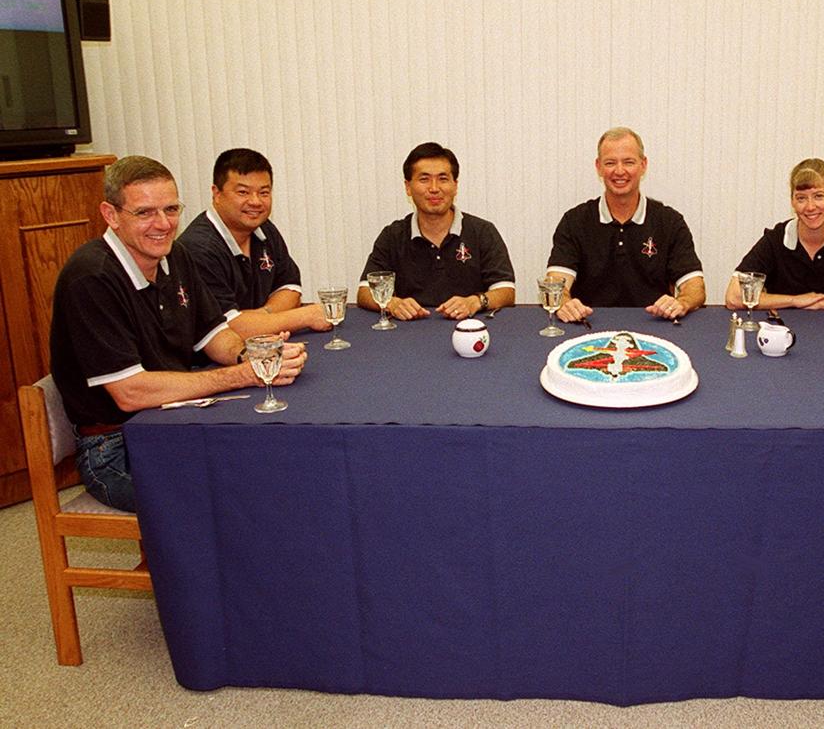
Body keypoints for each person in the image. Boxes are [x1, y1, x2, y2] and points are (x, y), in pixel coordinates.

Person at [50, 156, 307, 512]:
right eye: (145, 213)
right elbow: (130, 393)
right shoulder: (91, 278)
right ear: (111, 215)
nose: (163, 224)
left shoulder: (176, 256)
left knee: (274, 469)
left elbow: (215, 335)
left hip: (174, 422)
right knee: (237, 500)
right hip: (116, 447)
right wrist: (240, 375)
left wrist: (254, 356)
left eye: (171, 209)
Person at [546, 127, 705, 322]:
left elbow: (695, 287)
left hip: (655, 326)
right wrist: (563, 303)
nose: (619, 171)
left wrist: (682, 302)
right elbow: (555, 282)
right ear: (598, 167)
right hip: (587, 326)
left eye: (628, 162)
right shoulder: (574, 221)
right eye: (610, 163)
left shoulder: (670, 222)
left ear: (643, 165)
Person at [177, 148, 331, 336]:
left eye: (264, 192)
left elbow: (290, 288)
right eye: (243, 192)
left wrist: (263, 318)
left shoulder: (263, 228)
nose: (255, 202)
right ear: (216, 194)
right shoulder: (199, 248)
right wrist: (305, 316)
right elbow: (227, 329)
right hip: (211, 363)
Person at [357, 142, 515, 320]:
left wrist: (475, 301)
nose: (434, 188)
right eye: (424, 179)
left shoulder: (482, 232)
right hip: (408, 333)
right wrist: (392, 304)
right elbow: (364, 291)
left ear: (455, 185)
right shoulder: (392, 235)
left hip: (468, 330)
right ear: (408, 187)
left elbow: (506, 290)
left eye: (443, 179)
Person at [725, 158, 824, 314]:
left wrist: (819, 303)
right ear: (792, 202)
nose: (810, 207)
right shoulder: (775, 239)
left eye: (818, 196)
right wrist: (794, 301)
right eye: (801, 198)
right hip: (785, 332)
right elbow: (734, 297)